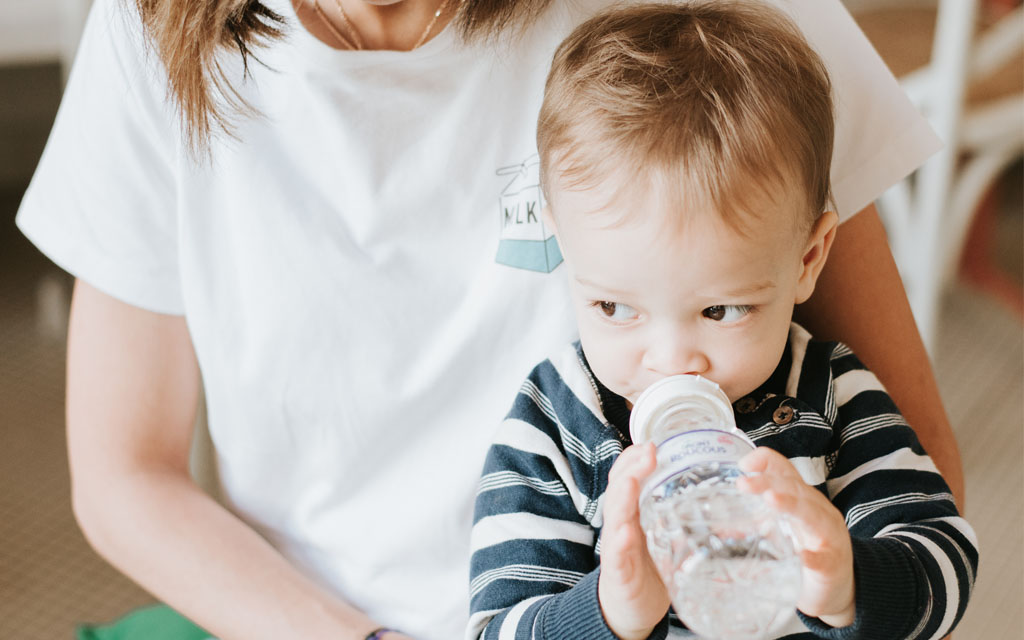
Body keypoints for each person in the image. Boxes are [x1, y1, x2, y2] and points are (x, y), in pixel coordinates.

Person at [15, 0, 963, 638]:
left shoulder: (714, 29)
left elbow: (918, 474)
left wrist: (844, 584)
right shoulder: (153, 34)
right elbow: (123, 475)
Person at [467, 3, 977, 639]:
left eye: (721, 310)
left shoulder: (828, 393)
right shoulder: (558, 425)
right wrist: (607, 611)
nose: (673, 359)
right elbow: (494, 627)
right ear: (564, 247)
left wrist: (850, 580)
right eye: (615, 308)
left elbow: (948, 554)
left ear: (808, 258)